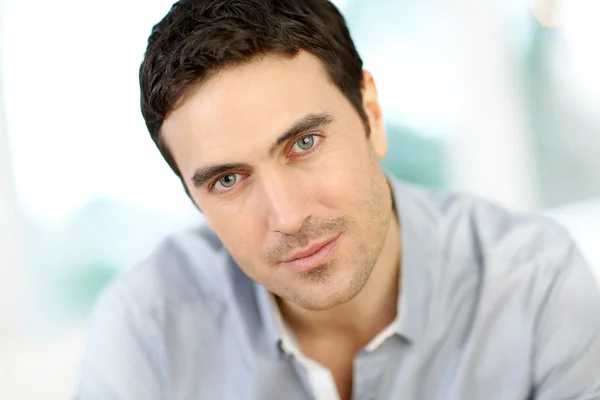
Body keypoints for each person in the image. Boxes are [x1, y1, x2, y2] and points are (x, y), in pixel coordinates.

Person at [76, 0, 600, 399]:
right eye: (228, 181)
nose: (287, 216)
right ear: (193, 198)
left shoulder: (535, 285)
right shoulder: (145, 327)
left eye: (304, 143)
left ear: (370, 112)